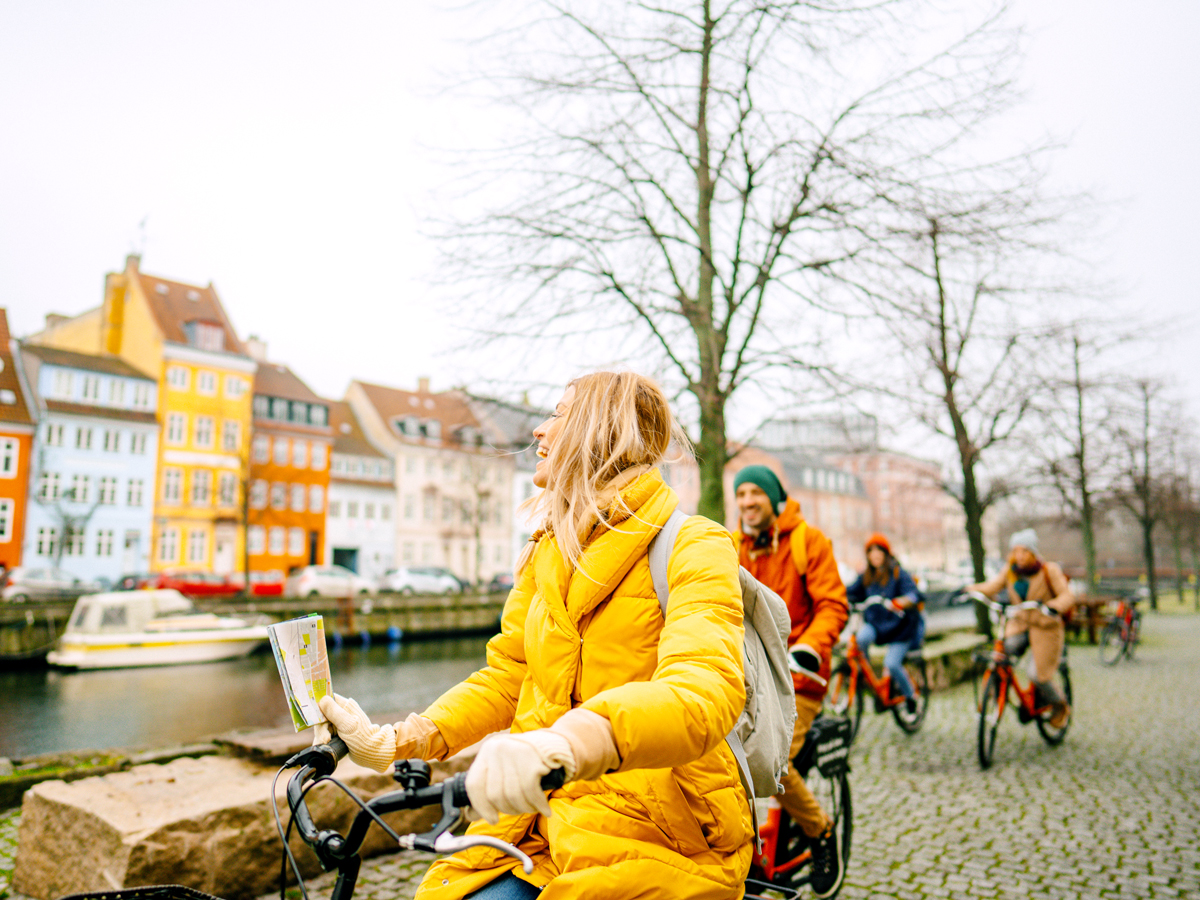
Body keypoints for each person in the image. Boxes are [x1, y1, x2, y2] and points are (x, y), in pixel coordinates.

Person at [317, 372, 753, 899]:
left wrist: (568, 743)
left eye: (557, 414)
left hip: (657, 829)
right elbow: (507, 677)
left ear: (601, 430)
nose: (540, 432)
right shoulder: (549, 549)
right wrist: (392, 742)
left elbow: (703, 691)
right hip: (537, 820)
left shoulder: (695, 543)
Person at [733, 465, 849, 899]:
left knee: (772, 762)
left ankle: (821, 832)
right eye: (740, 493)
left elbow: (833, 605)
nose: (747, 501)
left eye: (755, 493)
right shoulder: (734, 545)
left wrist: (811, 647)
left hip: (801, 677)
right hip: (751, 675)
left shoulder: (808, 541)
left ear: (774, 497)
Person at [967, 528, 1075, 728]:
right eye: (1016, 551)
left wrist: (1053, 607)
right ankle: (996, 690)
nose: (1019, 556)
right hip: (1021, 623)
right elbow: (993, 586)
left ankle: (1059, 704)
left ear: (1033, 552)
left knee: (1037, 675)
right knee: (1001, 653)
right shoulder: (1010, 570)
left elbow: (1067, 596)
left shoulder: (1048, 570)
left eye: (1024, 551)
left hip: (1045, 626)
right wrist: (970, 589)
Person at [845, 533, 925, 714]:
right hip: (878, 626)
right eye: (871, 552)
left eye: (878, 551)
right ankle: (871, 680)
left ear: (886, 553)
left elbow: (914, 594)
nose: (875, 555)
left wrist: (900, 602)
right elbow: (851, 591)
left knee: (892, 663)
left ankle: (911, 696)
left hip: (900, 628)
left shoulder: (898, 573)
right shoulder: (866, 576)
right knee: (861, 639)